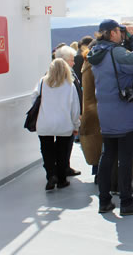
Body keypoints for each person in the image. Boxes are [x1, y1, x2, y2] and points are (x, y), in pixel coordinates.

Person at [87, 19, 133, 216]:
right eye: (119, 31)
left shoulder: (96, 53)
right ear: (113, 33)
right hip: (124, 114)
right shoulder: (116, 53)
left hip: (106, 114)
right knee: (126, 158)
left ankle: (104, 201)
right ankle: (126, 202)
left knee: (107, 157)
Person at [34, 58, 81, 191]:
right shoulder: (69, 85)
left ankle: (51, 175)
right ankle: (61, 179)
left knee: (46, 150)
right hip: (64, 123)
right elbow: (75, 108)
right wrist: (76, 125)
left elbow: (34, 98)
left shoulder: (42, 82)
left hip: (45, 123)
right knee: (62, 151)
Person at [54, 45, 82, 177]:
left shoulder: (69, 73)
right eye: (72, 59)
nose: (74, 62)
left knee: (66, 144)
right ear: (64, 60)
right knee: (63, 145)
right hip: (66, 116)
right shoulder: (63, 77)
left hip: (67, 115)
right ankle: (62, 170)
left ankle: (64, 167)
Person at [79, 40, 103, 181]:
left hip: (90, 110)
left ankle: (98, 173)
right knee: (101, 145)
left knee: (96, 144)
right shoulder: (94, 66)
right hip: (97, 109)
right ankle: (101, 175)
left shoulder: (86, 64)